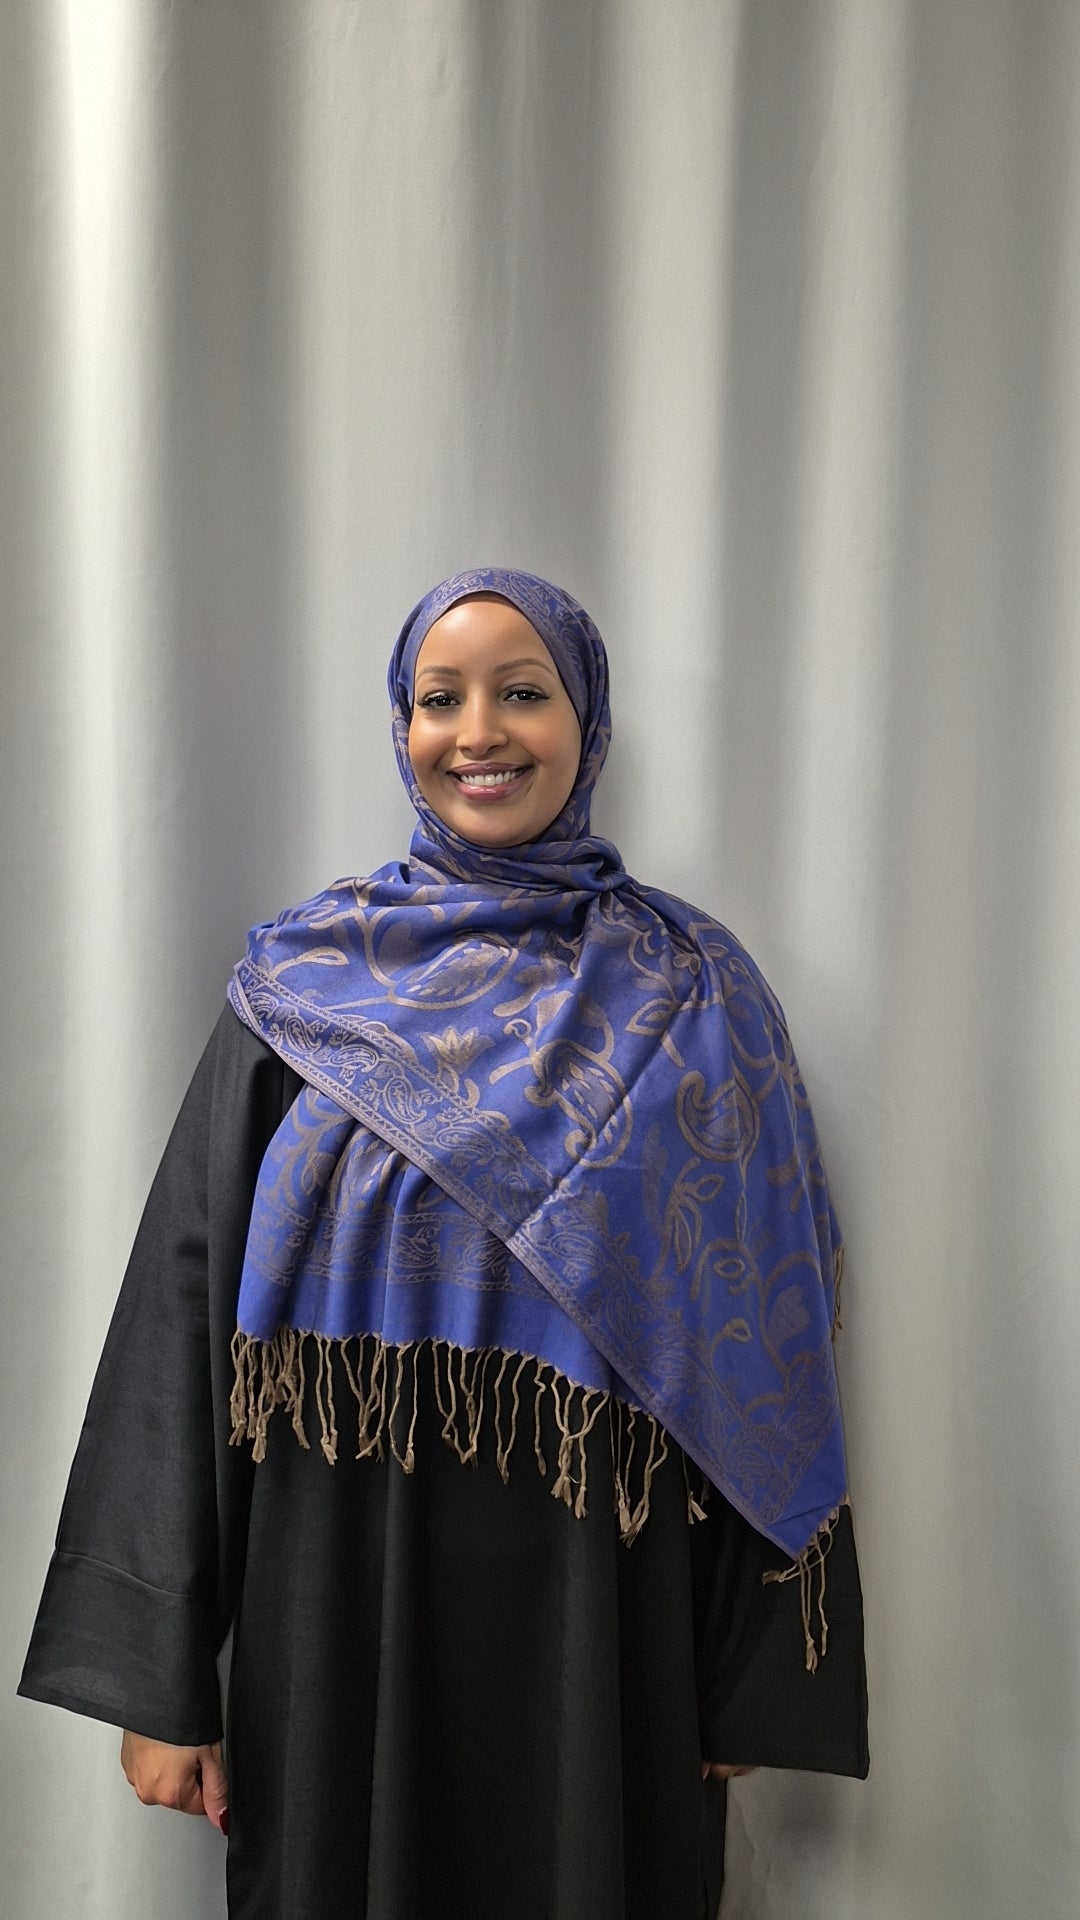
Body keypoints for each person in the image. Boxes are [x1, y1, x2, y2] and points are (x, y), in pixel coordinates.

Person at [19, 569, 868, 1920]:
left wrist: (748, 1663)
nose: (480, 732)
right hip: (340, 1599)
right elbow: (179, 1331)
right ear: (401, 728)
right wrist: (162, 1683)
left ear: (587, 724)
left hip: (608, 1620)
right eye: (440, 697)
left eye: (524, 693)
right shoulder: (302, 994)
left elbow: (767, 1342)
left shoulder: (697, 992)